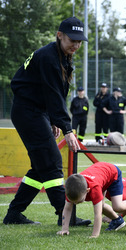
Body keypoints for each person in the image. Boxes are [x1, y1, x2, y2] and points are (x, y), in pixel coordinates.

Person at [3, 17, 90, 226]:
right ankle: (64, 214)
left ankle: (14, 214)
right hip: (27, 111)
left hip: (35, 111)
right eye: (72, 40)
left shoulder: (62, 56)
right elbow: (54, 96)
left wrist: (52, 119)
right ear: (59, 35)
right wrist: (67, 129)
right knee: (51, 161)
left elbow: (54, 94)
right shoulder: (49, 58)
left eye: (79, 41)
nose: (76, 45)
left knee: (41, 165)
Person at [57, 162, 126, 238]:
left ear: (87, 191)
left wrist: (95, 235)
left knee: (117, 206)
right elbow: (67, 208)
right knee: (102, 205)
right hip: (100, 174)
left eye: (79, 200)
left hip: (112, 173)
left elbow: (97, 214)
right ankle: (117, 221)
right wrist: (64, 229)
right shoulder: (71, 188)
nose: (75, 203)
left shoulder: (94, 188)